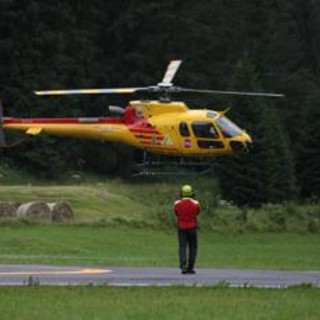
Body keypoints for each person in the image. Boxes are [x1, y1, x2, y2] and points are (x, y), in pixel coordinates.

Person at [174, 185, 201, 274]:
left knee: (182, 246)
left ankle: (183, 266)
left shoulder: (177, 203)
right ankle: (190, 267)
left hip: (181, 227)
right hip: (192, 227)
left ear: (181, 193)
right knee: (193, 247)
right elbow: (198, 212)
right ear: (191, 193)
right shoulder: (196, 203)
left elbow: (176, 213)